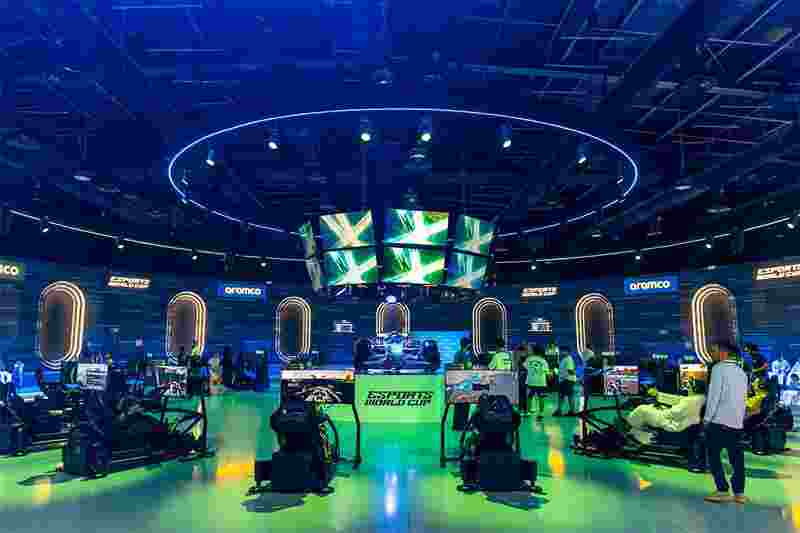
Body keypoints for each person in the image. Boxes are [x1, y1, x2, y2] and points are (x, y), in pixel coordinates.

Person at [703, 343, 748, 504]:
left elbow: (713, 397)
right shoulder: (742, 372)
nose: (712, 354)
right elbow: (743, 400)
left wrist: (706, 419)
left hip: (718, 421)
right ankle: (739, 493)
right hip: (736, 423)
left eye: (714, 350)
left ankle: (722, 490)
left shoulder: (718, 369)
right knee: (737, 460)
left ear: (724, 352)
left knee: (713, 457)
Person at [626, 383, 706, 444]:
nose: (688, 389)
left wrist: (663, 410)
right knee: (650, 407)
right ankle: (639, 429)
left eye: (689, 387)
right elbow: (678, 399)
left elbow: (674, 413)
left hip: (671, 422)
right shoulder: (700, 398)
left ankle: (630, 426)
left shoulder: (690, 400)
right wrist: (658, 395)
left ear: (694, 389)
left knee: (642, 409)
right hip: (680, 420)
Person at [525, 345, 550, 420]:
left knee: (529, 396)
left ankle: (528, 412)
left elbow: (525, 367)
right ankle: (541, 413)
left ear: (534, 351)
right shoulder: (543, 361)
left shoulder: (529, 359)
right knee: (541, 397)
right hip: (541, 382)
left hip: (531, 381)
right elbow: (547, 372)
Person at [554, 348, 577, 416]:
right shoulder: (564, 359)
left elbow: (570, 371)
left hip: (567, 380)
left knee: (565, 396)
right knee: (566, 395)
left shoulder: (568, 359)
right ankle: (569, 411)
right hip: (565, 380)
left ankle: (566, 411)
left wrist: (576, 375)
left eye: (564, 351)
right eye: (561, 351)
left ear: (568, 352)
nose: (562, 352)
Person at [514, 344, 530, 414]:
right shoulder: (527, 359)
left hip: (522, 378)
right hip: (524, 378)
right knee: (523, 394)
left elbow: (516, 368)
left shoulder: (521, 360)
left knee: (521, 394)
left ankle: (522, 409)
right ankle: (524, 409)